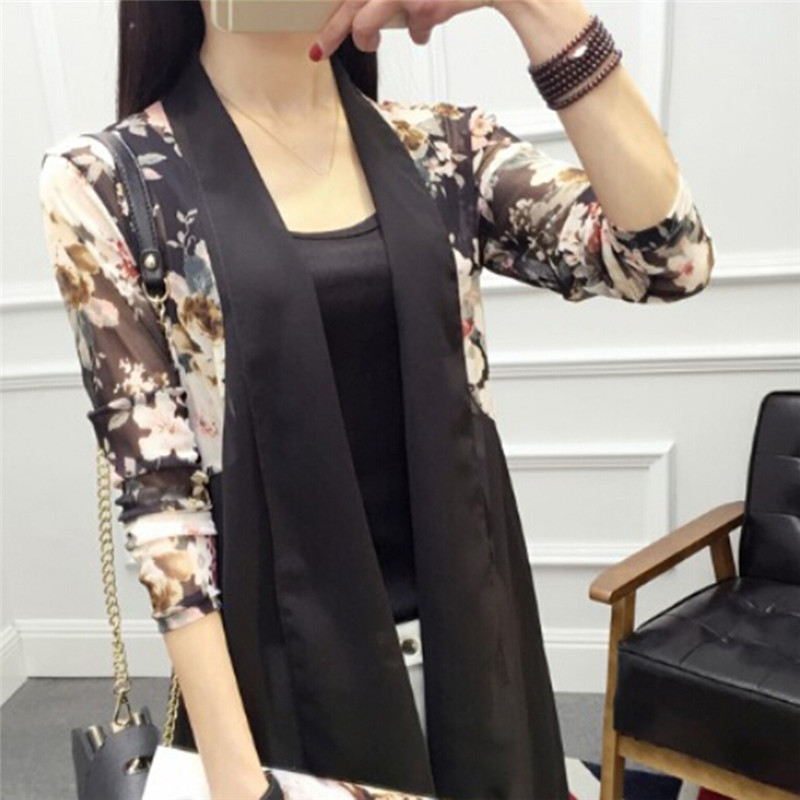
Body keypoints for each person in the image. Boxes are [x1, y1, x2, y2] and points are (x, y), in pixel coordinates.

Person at [38, 1, 715, 798]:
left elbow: (666, 259)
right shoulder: (111, 180)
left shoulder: (443, 150)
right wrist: (238, 778)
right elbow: (162, 501)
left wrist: (531, 4)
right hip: (281, 671)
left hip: (477, 641)